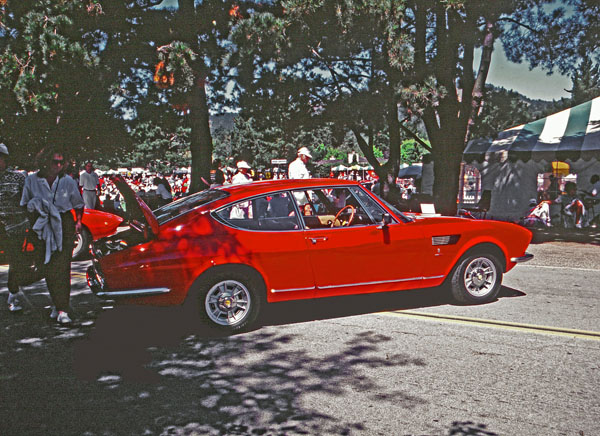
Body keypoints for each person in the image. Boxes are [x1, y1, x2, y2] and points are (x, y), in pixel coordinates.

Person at [21, 146, 84, 324]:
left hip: (63, 224)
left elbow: (78, 204)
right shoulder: (32, 180)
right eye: (54, 161)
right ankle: (57, 304)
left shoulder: (68, 181)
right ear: (45, 162)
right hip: (42, 225)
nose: (58, 165)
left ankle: (63, 309)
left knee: (62, 268)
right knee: (47, 267)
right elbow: (25, 204)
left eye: (61, 162)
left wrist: (78, 222)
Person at [0, 143, 29, 312]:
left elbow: (27, 202)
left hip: (14, 227)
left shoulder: (18, 178)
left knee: (15, 262)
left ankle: (13, 296)